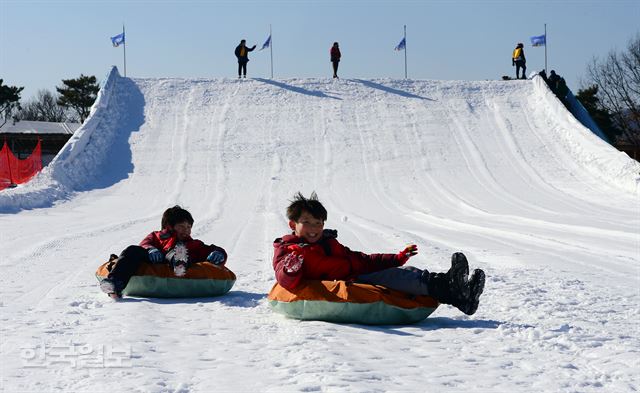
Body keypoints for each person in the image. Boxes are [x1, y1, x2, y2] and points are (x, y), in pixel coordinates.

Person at [272, 192, 486, 315]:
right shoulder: (289, 250)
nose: (313, 228)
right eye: (306, 222)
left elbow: (360, 259)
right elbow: (284, 279)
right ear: (293, 224)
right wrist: (291, 269)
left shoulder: (330, 243)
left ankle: (459, 292)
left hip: (355, 275)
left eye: (318, 223)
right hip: (341, 284)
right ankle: (455, 291)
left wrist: (396, 257)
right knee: (394, 277)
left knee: (405, 270)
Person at [99, 205, 228, 299]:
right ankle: (115, 284)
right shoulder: (157, 236)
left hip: (177, 257)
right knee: (132, 250)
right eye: (182, 226)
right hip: (155, 259)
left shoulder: (194, 244)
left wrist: (219, 253)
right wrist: (151, 249)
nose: (187, 230)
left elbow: (210, 249)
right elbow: (144, 243)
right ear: (169, 226)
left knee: (180, 250)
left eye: (189, 227)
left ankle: (179, 264)